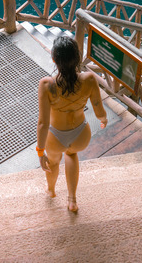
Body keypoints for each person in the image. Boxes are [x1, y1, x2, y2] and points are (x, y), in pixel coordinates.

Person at [37, 35, 107, 213]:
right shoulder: (90, 79)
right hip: (80, 134)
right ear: (77, 58)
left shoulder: (46, 85)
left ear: (54, 59)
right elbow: (98, 109)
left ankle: (51, 191)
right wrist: (103, 120)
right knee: (72, 155)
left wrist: (40, 151)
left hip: (55, 136)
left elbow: (43, 123)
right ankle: (72, 200)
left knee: (53, 162)